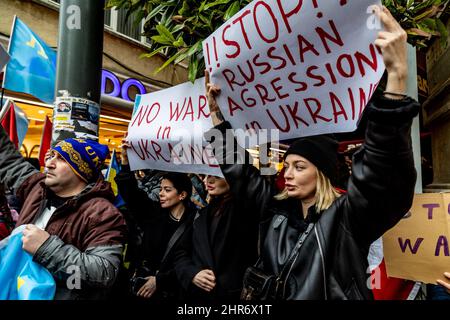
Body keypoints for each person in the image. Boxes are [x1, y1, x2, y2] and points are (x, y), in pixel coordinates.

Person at [204, 5, 419, 299]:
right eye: (287, 165)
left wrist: (396, 77)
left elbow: (382, 177)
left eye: (299, 166)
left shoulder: (348, 219)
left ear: (322, 173)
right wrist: (218, 118)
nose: (286, 173)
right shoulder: (274, 211)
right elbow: (239, 173)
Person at [0, 132, 127, 300]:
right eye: (51, 156)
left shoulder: (102, 213)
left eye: (61, 159)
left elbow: (104, 272)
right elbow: (7, 160)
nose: (49, 164)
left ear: (81, 170)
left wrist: (46, 248)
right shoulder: (37, 187)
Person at [115, 141, 196, 300]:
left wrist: (160, 281)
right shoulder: (153, 213)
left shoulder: (196, 222)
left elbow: (193, 262)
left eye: (167, 190)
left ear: (182, 195)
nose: (161, 194)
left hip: (173, 292)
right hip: (142, 286)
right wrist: (125, 161)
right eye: (160, 189)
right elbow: (131, 193)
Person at [174, 171, 261, 302]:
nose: (209, 180)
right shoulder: (201, 214)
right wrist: (192, 273)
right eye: (206, 175)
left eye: (217, 175)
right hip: (197, 297)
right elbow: (181, 252)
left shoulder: (247, 210)